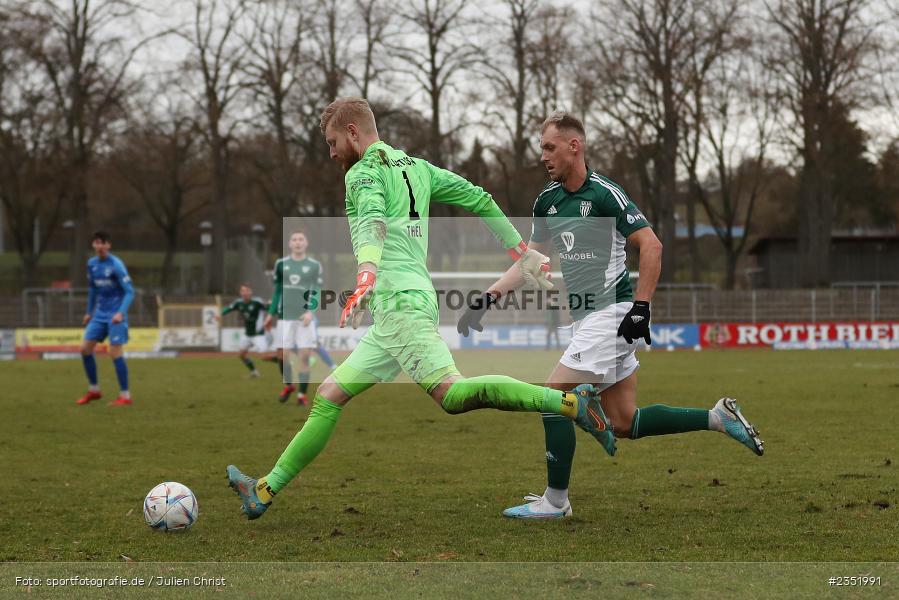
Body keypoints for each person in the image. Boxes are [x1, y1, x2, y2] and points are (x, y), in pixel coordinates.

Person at [226, 97, 611, 520]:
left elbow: (373, 221)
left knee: (452, 395)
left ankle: (571, 404)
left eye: (333, 142)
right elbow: (479, 198)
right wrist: (521, 251)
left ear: (352, 133)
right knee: (328, 395)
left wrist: (366, 275)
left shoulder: (363, 172)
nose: (332, 153)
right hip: (406, 304)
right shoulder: (417, 168)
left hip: (398, 305)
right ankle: (263, 491)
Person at [458, 112, 764, 519]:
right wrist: (488, 298)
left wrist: (641, 307)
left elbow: (651, 246)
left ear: (574, 146)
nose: (543, 156)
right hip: (587, 320)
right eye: (541, 148)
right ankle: (718, 418)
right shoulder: (546, 201)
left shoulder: (605, 195)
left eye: (549, 147)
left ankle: (555, 502)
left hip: (611, 313)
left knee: (552, 397)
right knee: (623, 421)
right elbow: (532, 262)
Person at [263, 230, 322, 405]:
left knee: (304, 356)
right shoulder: (281, 264)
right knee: (282, 356)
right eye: (294, 239)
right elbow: (276, 292)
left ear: (306, 243)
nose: (297, 242)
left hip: (304, 318)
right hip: (284, 317)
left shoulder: (314, 266)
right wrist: (270, 314)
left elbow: (317, 290)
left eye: (301, 239)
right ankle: (289, 385)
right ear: (289, 244)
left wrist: (311, 311)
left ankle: (301, 395)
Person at [76, 231, 135, 406]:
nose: (99, 246)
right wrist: (89, 312)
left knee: (114, 352)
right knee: (85, 349)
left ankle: (125, 396)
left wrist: (121, 313)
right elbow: (93, 289)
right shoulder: (91, 264)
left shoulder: (116, 265)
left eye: (103, 243)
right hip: (100, 314)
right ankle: (94, 390)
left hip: (116, 315)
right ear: (93, 245)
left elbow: (130, 292)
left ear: (109, 245)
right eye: (96, 242)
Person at [216, 283, 267, 378]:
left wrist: (272, 311)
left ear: (251, 292)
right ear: (240, 292)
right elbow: (229, 308)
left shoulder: (257, 302)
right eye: (243, 291)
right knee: (242, 355)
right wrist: (220, 314)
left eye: (247, 290)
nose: (245, 293)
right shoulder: (239, 303)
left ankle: (286, 361)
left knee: (265, 357)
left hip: (258, 334)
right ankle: (254, 372)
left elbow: (269, 308)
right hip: (248, 334)